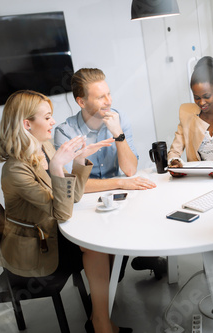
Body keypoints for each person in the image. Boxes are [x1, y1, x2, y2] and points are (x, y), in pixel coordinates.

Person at [0, 90, 129, 333]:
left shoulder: (43, 147)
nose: (53, 122)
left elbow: (72, 196)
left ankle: (99, 318)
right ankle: (101, 323)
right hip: (37, 248)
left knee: (106, 242)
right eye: (47, 117)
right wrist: (57, 166)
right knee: (97, 248)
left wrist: (79, 161)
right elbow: (63, 212)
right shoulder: (15, 170)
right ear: (27, 124)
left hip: (51, 232)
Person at [54, 68, 165, 279]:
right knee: (115, 270)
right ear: (81, 102)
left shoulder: (118, 118)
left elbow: (130, 169)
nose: (108, 101)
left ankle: (145, 255)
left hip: (119, 198)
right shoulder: (65, 132)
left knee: (153, 206)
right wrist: (120, 184)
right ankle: (116, 270)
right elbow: (73, 187)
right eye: (100, 97)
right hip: (85, 203)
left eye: (109, 94)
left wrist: (118, 134)